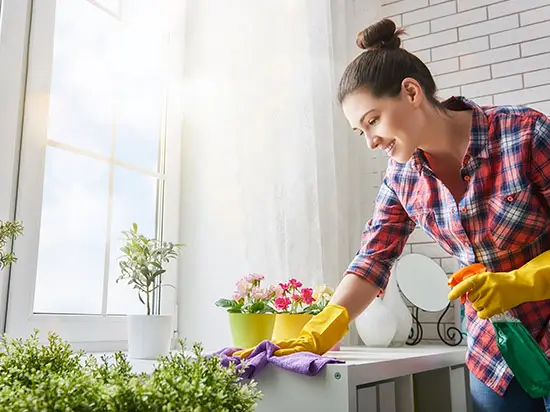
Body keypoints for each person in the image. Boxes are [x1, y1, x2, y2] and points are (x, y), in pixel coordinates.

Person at [234, 18, 550, 412]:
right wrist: (322, 327)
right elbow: (373, 259)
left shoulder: (524, 135)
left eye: (373, 121)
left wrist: (521, 282)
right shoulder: (402, 177)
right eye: (359, 131)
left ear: (412, 92)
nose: (371, 141)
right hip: (494, 358)